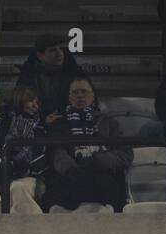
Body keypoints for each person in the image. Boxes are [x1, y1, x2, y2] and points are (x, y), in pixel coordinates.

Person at [41, 74, 131, 211]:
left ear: (93, 96)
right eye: (75, 92)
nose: (80, 96)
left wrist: (100, 160)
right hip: (71, 175)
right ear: (69, 97)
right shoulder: (59, 125)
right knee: (55, 184)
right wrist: (71, 168)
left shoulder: (110, 124)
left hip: (102, 174)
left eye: (84, 91)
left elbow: (125, 154)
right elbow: (56, 152)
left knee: (113, 184)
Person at [0, 84, 48, 214]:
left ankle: (31, 231)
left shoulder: (40, 128)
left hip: (25, 176)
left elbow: (40, 160)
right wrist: (2, 177)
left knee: (18, 188)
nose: (35, 106)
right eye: (31, 101)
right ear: (20, 100)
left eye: (38, 102)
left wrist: (18, 170)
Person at [17, 33, 83, 124]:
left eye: (60, 49)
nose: (59, 53)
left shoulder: (74, 73)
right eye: (52, 50)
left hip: (70, 124)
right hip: (37, 126)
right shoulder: (29, 76)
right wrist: (43, 119)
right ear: (40, 56)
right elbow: (21, 105)